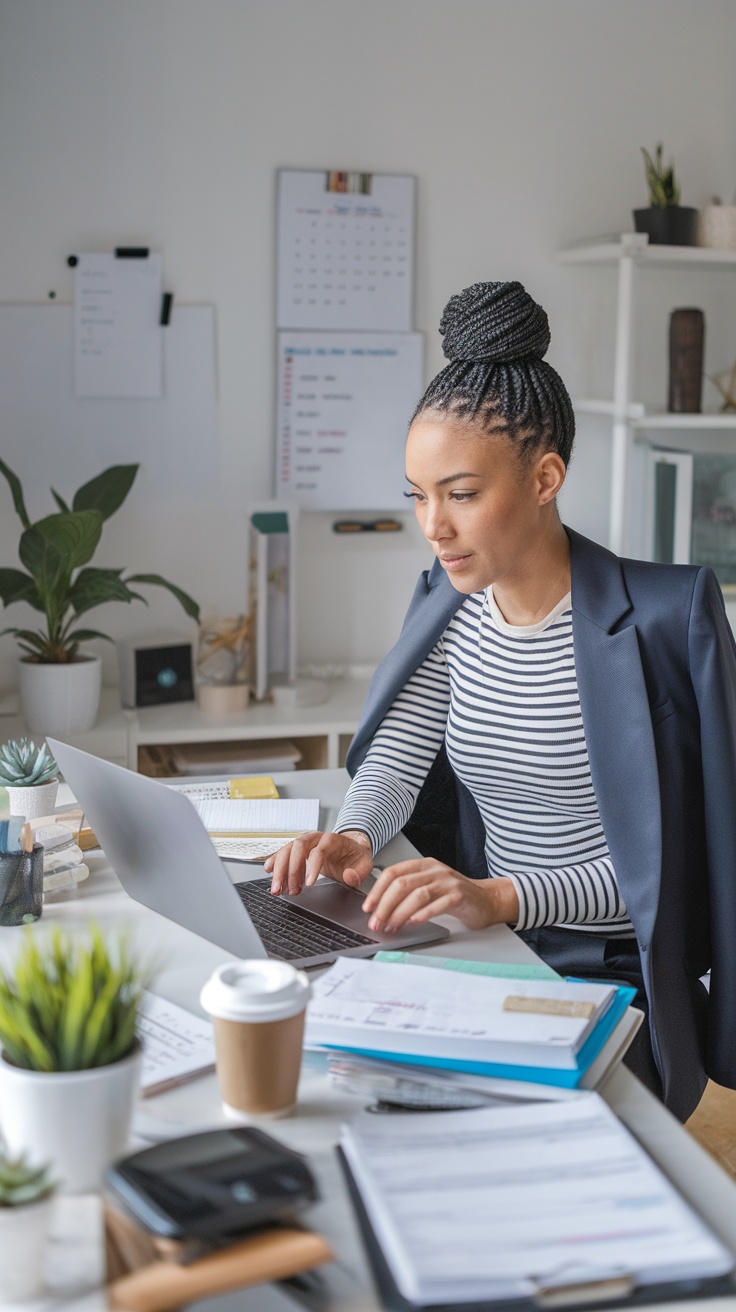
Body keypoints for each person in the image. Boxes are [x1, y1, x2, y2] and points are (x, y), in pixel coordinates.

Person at [265, 280, 736, 1123]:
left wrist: (502, 896)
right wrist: (352, 833)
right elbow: (399, 753)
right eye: (417, 494)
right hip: (484, 949)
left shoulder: (666, 618)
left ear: (546, 476)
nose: (432, 526)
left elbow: (672, 874)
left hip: (606, 974)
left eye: (461, 493)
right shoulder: (447, 604)